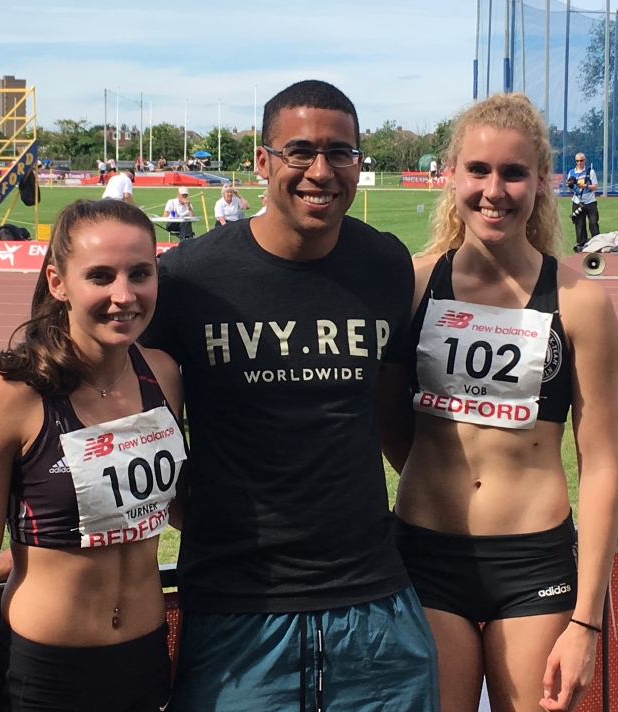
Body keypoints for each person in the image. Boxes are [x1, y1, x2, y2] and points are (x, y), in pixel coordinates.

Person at [140, 79, 439, 711]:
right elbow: (135, 437)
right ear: (261, 162)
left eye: (342, 153)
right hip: (237, 610)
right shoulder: (187, 280)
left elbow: (390, 413)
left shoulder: (385, 265)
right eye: (300, 151)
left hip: (375, 605)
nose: (322, 172)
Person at [382, 93, 618, 712]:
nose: (495, 190)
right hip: (424, 556)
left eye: (514, 173)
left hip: (533, 563)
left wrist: (587, 623)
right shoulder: (411, 285)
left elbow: (599, 467)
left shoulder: (581, 302)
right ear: (450, 175)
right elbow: (386, 417)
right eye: (479, 171)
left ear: (543, 180)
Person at [0, 199, 185, 712]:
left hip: (144, 664)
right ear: (57, 283)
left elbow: (153, 507)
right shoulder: (7, 397)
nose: (124, 295)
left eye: (140, 274)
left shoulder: (165, 376)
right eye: (100, 276)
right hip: (45, 674)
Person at [567, 153, 600, 252]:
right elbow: (570, 190)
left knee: (593, 222)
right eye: (577, 161)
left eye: (581, 160)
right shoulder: (571, 172)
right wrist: (571, 186)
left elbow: (595, 187)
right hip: (577, 201)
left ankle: (597, 242)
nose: (579, 163)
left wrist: (585, 186)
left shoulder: (590, 172)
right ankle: (581, 244)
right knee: (579, 224)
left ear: (585, 160)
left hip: (590, 201)